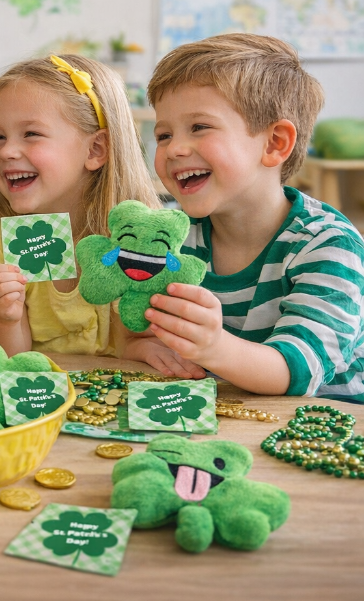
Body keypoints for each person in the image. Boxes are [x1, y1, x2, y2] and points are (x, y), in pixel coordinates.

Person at [142, 33, 364, 402]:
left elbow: (297, 370)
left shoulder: (329, 245)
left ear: (275, 143)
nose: (174, 149)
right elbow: (142, 330)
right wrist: (144, 346)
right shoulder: (176, 235)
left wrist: (213, 347)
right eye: (163, 134)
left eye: (199, 127)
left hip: (327, 425)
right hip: (228, 411)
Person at [0, 55, 178, 369]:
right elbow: (0, 359)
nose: (7, 151)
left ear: (95, 150)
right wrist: (5, 318)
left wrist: (147, 346)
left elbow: (141, 343)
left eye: (31, 134)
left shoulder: (140, 239)